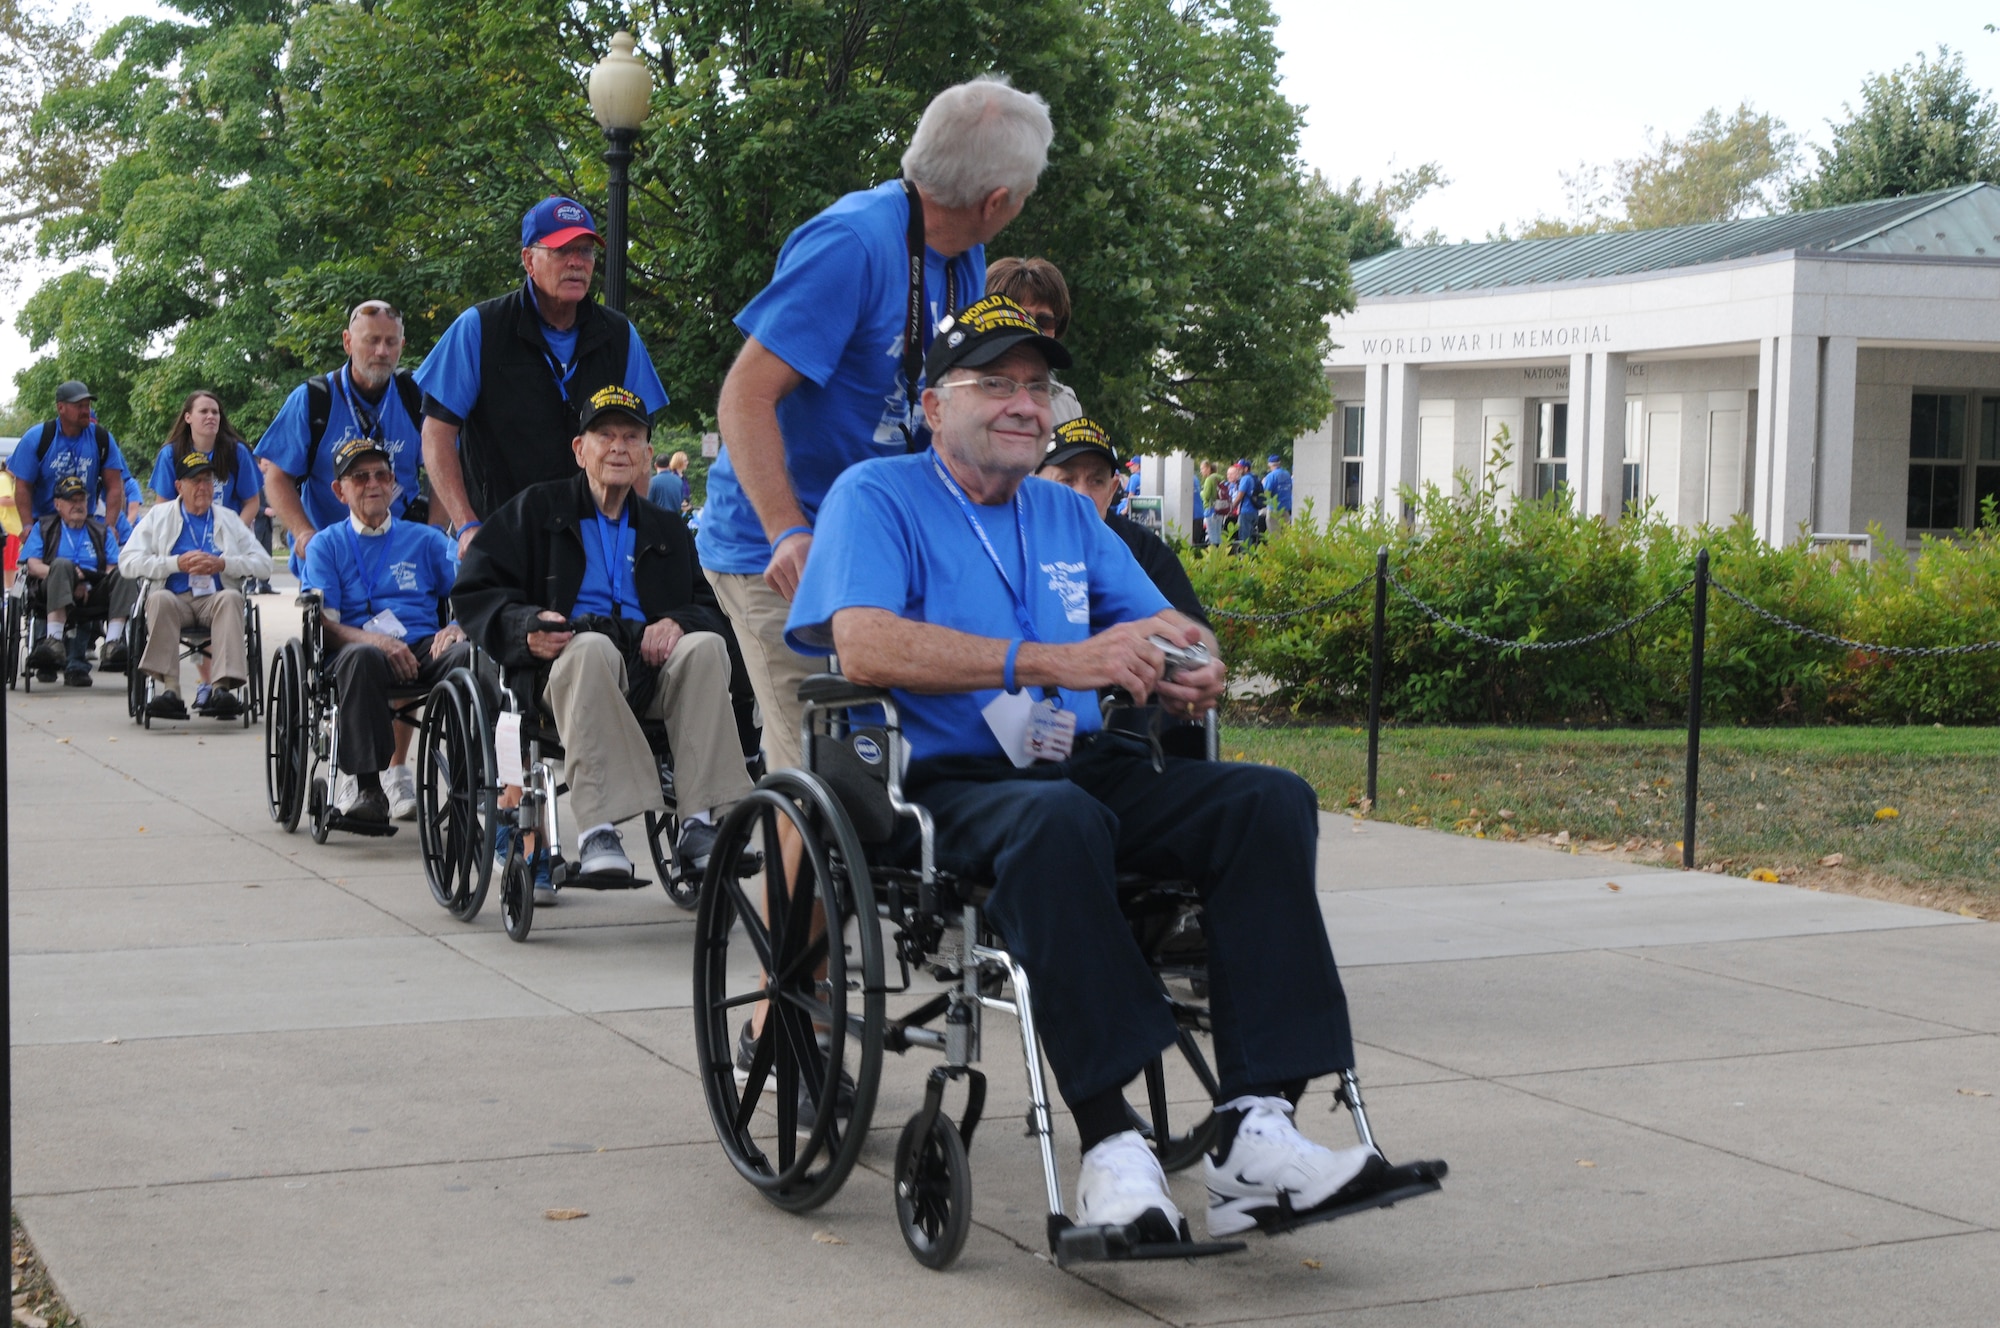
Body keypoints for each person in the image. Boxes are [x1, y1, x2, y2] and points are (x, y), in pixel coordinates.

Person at [787, 296, 1401, 1243]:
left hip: (1083, 764)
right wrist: (1049, 661)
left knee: (1269, 802)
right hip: (947, 782)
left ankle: (1255, 1126)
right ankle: (1113, 1146)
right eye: (995, 383)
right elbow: (861, 644)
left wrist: (1191, 660)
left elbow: (1165, 619)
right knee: (1060, 824)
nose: (1024, 403)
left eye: (1038, 386)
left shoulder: (1066, 515)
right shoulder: (878, 496)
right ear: (932, 405)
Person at [702, 76, 1052, 778]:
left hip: (876, 538)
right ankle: (795, 884)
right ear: (995, 203)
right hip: (773, 545)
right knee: (820, 758)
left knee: (903, 743)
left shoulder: (960, 255)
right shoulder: (853, 243)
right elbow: (742, 397)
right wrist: (787, 532)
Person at [454, 385, 753, 891]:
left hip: (648, 669)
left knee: (705, 647)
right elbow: (475, 590)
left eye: (631, 437)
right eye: (605, 435)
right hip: (564, 667)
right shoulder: (535, 510)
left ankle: (701, 824)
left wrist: (678, 621)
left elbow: (712, 609)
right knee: (590, 647)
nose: (618, 447)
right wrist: (526, 627)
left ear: (645, 455)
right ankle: (597, 833)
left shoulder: (668, 529)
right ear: (580, 449)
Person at [417, 199, 668, 553]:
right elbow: (437, 433)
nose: (577, 263)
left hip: (590, 546)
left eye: (585, 251)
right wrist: (467, 526)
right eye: (562, 250)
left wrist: (628, 532)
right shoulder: (479, 328)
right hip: (499, 543)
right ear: (528, 260)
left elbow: (639, 445)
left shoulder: (620, 335)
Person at [302, 437, 470, 824]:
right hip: (356, 648)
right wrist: (375, 640)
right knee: (363, 657)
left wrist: (458, 625)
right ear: (339, 490)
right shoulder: (325, 545)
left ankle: (472, 781)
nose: (373, 484)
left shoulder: (426, 540)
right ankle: (368, 789)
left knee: (464, 656)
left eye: (381, 475)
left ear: (394, 483)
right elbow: (323, 622)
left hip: (422, 644)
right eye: (359, 477)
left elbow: (469, 591)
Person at [256, 301, 427, 572]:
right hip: (331, 555)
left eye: (391, 342)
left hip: (400, 553)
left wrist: (435, 531)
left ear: (402, 345)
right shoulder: (313, 400)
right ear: (347, 342)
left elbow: (445, 466)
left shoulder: (417, 396)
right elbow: (276, 478)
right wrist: (303, 534)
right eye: (371, 341)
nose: (382, 351)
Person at [119, 452, 272, 720]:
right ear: (179, 486)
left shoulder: (228, 518)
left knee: (230, 599)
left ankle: (221, 688)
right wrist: (175, 563)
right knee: (158, 600)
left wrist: (223, 564)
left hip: (213, 599)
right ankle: (170, 691)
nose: (203, 487)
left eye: (208, 480)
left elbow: (264, 564)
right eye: (196, 481)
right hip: (174, 598)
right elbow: (128, 562)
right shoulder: (158, 516)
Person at [20, 475, 136, 685]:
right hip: (52, 587)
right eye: (71, 500)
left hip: (93, 589)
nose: (77, 505)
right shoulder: (44, 527)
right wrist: (69, 578)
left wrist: (88, 579)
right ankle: (54, 640)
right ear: (57, 504)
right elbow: (33, 565)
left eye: (81, 500)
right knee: (62, 564)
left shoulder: (101, 530)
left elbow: (111, 568)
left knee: (124, 572)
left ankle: (112, 643)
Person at [9, 381, 129, 528]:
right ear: (61, 407)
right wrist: (27, 527)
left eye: (87, 405)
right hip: (44, 524)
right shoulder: (36, 438)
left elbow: (114, 486)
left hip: (84, 522)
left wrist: (109, 527)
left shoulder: (101, 438)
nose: (85, 411)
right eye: (79, 406)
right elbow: (22, 487)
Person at [985, 255, 1082, 424]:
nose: (1032, 330)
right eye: (1019, 318)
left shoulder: (1065, 405)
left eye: (1044, 321)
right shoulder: (961, 392)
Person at [148, 390, 261, 521]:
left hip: (228, 533)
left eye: (215, 412)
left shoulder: (237, 452)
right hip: (185, 535)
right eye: (203, 411)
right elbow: (163, 506)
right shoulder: (170, 454)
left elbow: (252, 502)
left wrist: (234, 534)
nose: (210, 416)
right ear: (188, 417)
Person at [1262, 453, 1292, 527]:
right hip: (1286, 508)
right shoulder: (1287, 474)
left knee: (1275, 535)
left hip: (1274, 509)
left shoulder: (1270, 476)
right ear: (1280, 463)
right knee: (1286, 534)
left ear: (1269, 464)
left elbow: (1267, 493)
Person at [1200, 461, 1224, 549]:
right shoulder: (1220, 478)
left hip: (1210, 509)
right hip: (1220, 508)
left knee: (1212, 536)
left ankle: (1214, 557)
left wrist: (1201, 492)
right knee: (1218, 535)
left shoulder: (1209, 479)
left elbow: (1206, 496)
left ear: (1208, 468)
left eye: (1202, 469)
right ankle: (1220, 555)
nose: (1201, 471)